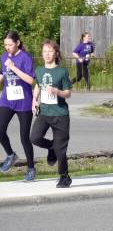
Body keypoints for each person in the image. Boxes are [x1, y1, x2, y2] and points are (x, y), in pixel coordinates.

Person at [30, 40, 73, 187]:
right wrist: (34, 100)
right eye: (44, 51)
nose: (47, 54)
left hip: (60, 114)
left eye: (50, 51)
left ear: (56, 53)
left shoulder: (62, 72)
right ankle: (51, 147)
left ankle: (64, 177)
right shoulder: (39, 70)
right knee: (34, 137)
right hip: (44, 113)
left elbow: (68, 93)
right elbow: (38, 86)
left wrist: (57, 91)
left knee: (61, 149)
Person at [0, 31, 36, 180]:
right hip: (7, 100)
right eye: (5, 45)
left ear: (18, 43)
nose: (7, 47)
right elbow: (3, 75)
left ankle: (31, 168)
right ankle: (11, 155)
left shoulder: (25, 57)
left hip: (24, 102)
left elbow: (30, 80)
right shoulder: (4, 56)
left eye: (10, 44)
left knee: (24, 138)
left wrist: (14, 67)